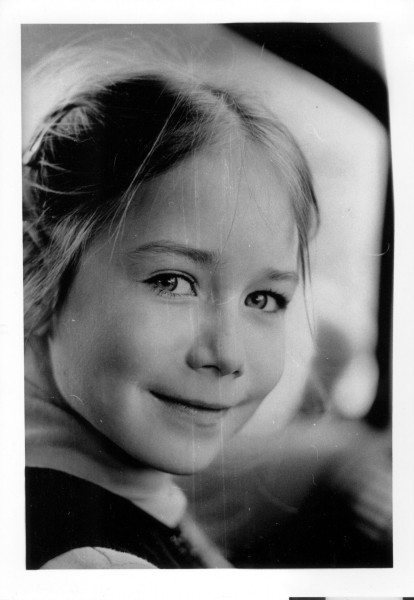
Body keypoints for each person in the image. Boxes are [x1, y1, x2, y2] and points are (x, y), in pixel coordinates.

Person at [22, 36, 318, 569]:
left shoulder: (124, 497)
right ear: (35, 268)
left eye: (263, 298)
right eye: (173, 282)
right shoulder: (93, 564)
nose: (226, 354)